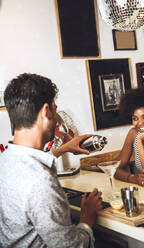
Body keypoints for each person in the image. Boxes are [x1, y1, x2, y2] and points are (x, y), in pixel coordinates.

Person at [0, 73, 102, 248]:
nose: (57, 117)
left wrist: (64, 148)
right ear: (46, 111)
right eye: (55, 109)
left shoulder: (5, 159)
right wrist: (87, 219)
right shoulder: (41, 182)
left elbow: (28, 163)